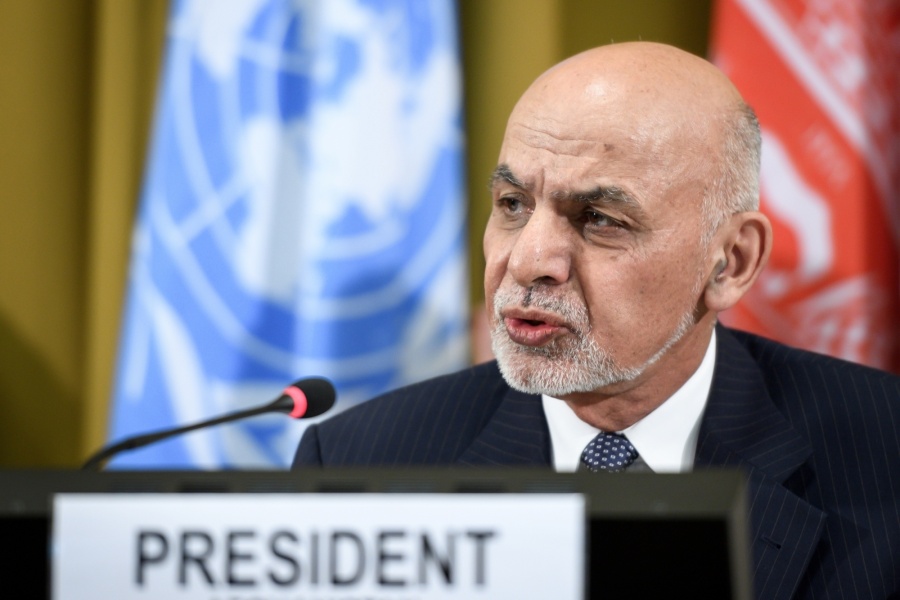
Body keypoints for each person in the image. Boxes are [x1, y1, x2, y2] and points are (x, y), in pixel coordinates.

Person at [293, 42, 900, 599]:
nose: (528, 261)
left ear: (730, 262)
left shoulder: (884, 449)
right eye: (512, 205)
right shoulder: (361, 465)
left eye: (600, 218)